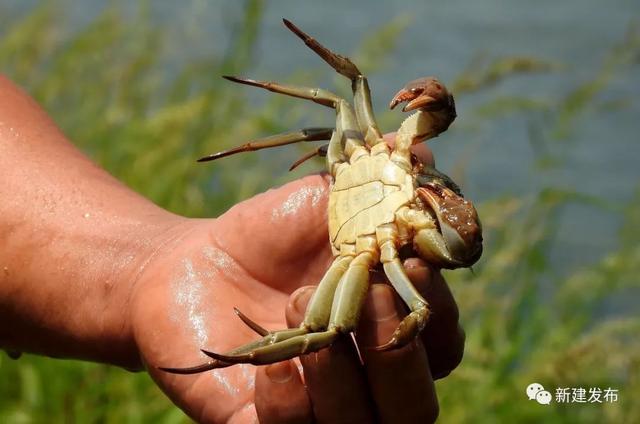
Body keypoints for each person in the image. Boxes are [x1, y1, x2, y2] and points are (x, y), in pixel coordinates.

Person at [0, 74, 465, 423]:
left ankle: (240, 353)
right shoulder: (372, 150)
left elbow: (448, 264)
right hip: (360, 240)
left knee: (325, 329)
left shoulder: (399, 178)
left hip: (364, 253)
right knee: (345, 94)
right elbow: (344, 90)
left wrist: (151, 267)